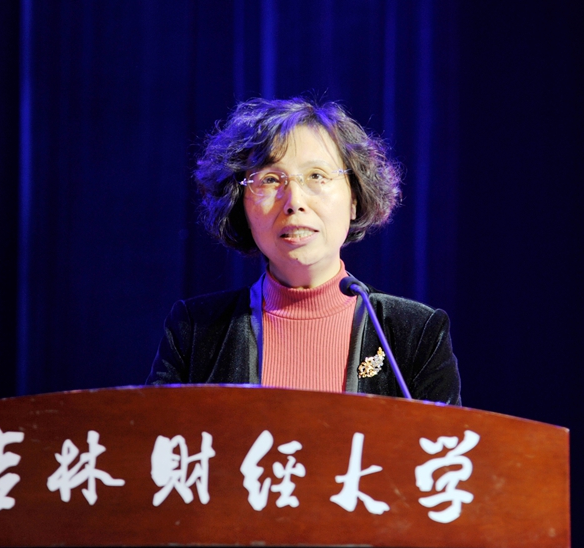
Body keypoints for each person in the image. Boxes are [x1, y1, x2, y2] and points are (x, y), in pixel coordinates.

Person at [147, 97, 460, 405]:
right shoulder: (195, 330)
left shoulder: (416, 333)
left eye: (316, 176)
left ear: (354, 199)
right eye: (270, 180)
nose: (294, 201)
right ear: (241, 205)